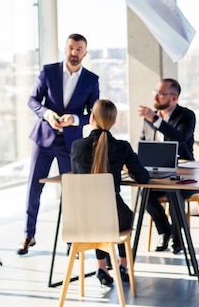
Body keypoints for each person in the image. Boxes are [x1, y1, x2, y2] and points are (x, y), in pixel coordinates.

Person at [18, 33, 100, 255]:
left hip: (71, 143)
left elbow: (94, 114)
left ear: (85, 52)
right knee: (34, 187)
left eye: (79, 49)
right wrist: (46, 114)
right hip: (43, 139)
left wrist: (75, 119)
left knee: (72, 191)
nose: (74, 53)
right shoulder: (48, 71)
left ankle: (72, 238)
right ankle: (28, 234)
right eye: (71, 48)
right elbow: (32, 100)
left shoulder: (92, 80)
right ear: (65, 49)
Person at [70, 99, 150, 285]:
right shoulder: (121, 147)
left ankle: (102, 268)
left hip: (82, 217)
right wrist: (126, 170)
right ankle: (122, 265)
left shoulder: (77, 146)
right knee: (124, 215)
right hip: (113, 215)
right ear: (113, 122)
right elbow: (143, 178)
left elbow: (76, 175)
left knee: (99, 218)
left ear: (92, 118)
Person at [138, 78, 197, 254]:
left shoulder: (186, 116)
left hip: (183, 173)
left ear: (174, 98)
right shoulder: (151, 117)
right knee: (145, 193)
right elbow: (143, 143)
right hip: (157, 172)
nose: (156, 96)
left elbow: (179, 138)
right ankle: (165, 231)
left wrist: (156, 120)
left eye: (161, 93)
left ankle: (177, 239)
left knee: (174, 194)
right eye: (155, 92)